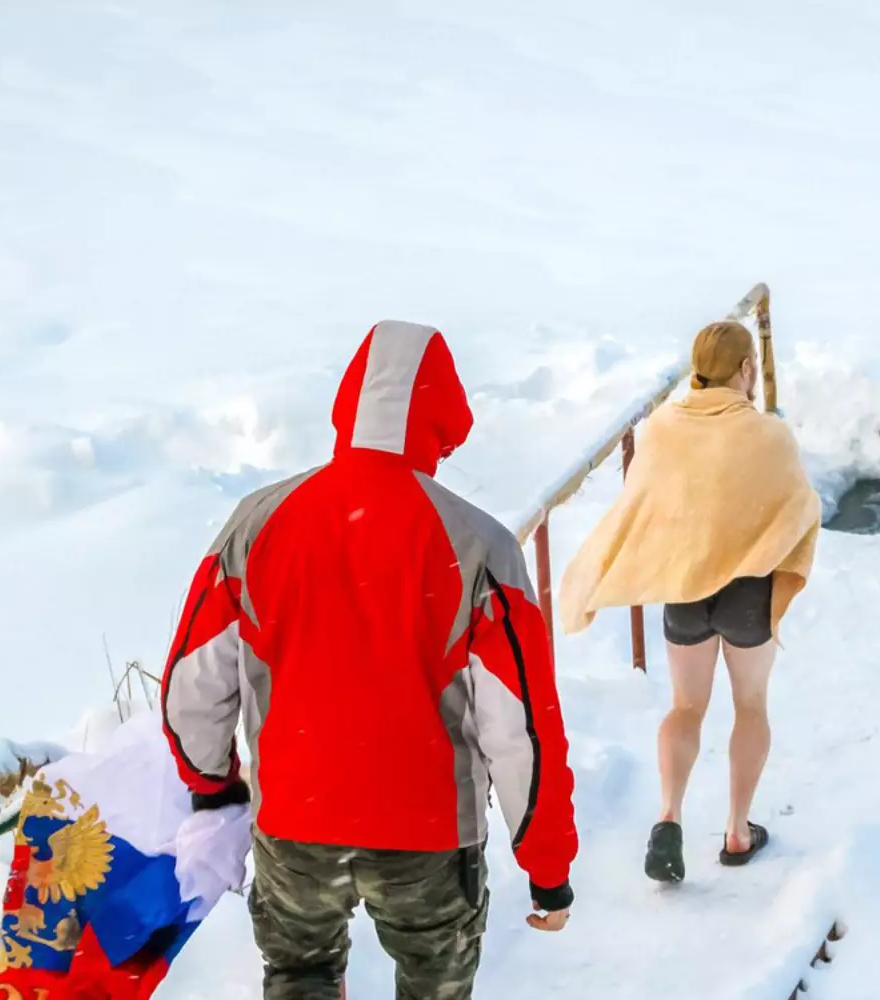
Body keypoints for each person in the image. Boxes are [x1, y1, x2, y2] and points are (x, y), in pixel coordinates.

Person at [160, 321, 577, 1000]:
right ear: (444, 420)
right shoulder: (481, 546)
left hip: (295, 824)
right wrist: (547, 860)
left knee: (300, 976)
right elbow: (517, 726)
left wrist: (212, 783)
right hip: (431, 837)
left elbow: (193, 683)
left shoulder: (257, 522)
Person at [557, 320, 819, 884]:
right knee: (750, 704)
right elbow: (799, 507)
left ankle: (669, 817)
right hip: (747, 587)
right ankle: (737, 831)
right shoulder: (768, 434)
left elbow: (644, 503)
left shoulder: (664, 429)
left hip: (684, 587)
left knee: (685, 707)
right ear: (747, 369)